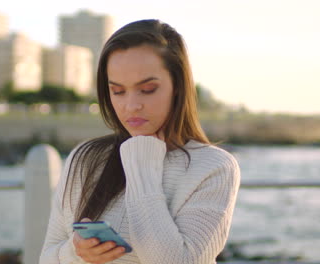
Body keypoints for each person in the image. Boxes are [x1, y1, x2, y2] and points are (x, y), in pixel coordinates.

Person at [40, 19, 240, 264]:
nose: (131, 106)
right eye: (118, 91)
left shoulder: (214, 167)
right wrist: (75, 251)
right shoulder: (86, 157)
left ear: (177, 86)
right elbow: (47, 257)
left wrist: (142, 161)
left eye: (147, 89)